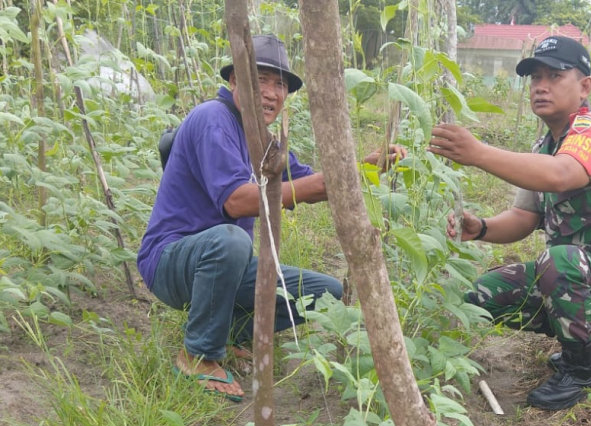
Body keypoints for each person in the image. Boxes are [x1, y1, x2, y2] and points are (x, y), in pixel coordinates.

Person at [137, 34, 404, 401]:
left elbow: (309, 180)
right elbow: (235, 202)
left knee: (327, 293)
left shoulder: (261, 138)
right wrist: (314, 187)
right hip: (170, 263)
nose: (271, 92)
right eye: (259, 79)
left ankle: (228, 333)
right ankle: (198, 353)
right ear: (234, 81)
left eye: (280, 84)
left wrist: (367, 167)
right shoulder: (212, 120)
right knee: (232, 240)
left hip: (223, 264)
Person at [428, 36, 591, 411]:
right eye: (535, 78)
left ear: (585, 87)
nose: (541, 86)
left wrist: (479, 153)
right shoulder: (545, 147)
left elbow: (562, 175)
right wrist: (481, 228)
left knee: (560, 260)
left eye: (554, 75)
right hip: (581, 273)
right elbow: (524, 216)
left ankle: (583, 374)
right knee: (481, 296)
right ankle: (588, 329)